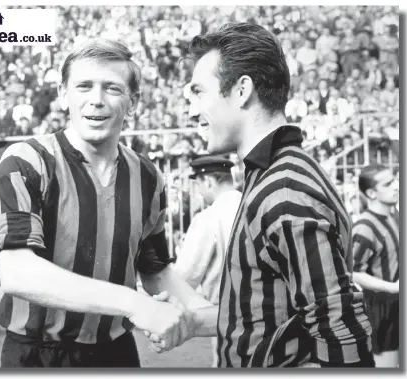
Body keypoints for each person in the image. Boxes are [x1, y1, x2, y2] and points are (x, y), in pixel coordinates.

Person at [150, 22, 374, 368]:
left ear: (241, 91)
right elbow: (269, 315)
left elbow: (339, 329)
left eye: (199, 92)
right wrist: (193, 321)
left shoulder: (284, 189)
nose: (192, 111)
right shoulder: (269, 174)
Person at [0, 38, 210, 368]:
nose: (96, 100)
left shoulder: (149, 177)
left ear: (132, 100)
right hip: (36, 354)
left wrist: (216, 318)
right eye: (83, 86)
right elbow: (17, 271)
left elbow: (155, 270)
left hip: (116, 352)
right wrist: (134, 304)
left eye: (112, 88)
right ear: (64, 95)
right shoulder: (27, 160)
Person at [173, 155, 241, 367]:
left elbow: (185, 276)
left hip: (224, 315)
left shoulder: (208, 217)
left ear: (209, 182)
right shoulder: (256, 204)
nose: (199, 192)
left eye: (199, 185)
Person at [352, 165, 399, 367]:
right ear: (371, 193)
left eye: (395, 179)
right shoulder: (364, 227)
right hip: (383, 313)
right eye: (388, 184)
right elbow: (353, 272)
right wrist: (394, 287)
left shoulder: (395, 215)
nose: (397, 185)